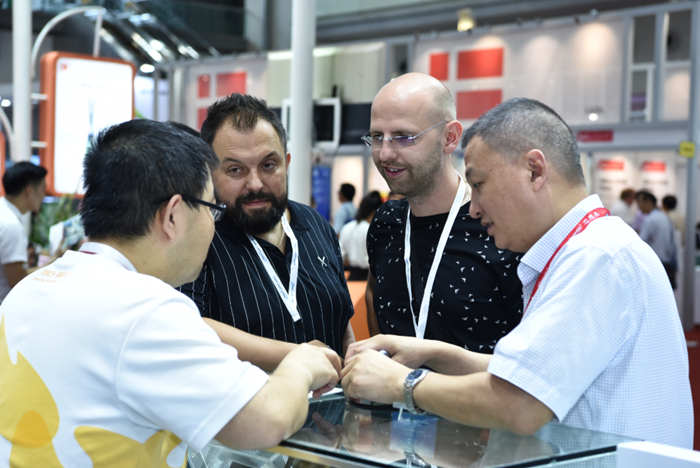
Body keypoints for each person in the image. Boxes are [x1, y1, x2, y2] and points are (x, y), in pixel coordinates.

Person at [341, 98, 692, 448]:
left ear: (534, 171)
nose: (474, 209)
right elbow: (527, 373)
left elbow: (519, 403)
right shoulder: (586, 251)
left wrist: (402, 384)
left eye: (479, 185)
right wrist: (434, 353)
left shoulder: (597, 257)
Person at [0, 119, 341, 466]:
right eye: (211, 209)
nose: (213, 225)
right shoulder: (145, 310)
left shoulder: (32, 288)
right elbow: (266, 420)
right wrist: (301, 364)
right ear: (173, 216)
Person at [179, 94, 354, 371]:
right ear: (210, 173)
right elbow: (187, 325)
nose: (255, 184)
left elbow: (341, 319)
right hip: (247, 399)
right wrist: (295, 356)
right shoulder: (198, 237)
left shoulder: (316, 225)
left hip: (333, 398)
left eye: (268, 165)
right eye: (235, 170)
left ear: (287, 163)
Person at [361, 72, 523, 349]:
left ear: (450, 137)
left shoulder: (497, 225)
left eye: (404, 137)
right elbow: (372, 295)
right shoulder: (387, 222)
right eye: (377, 137)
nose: (385, 153)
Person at [0, 161, 47, 302]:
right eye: (43, 189)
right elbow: (17, 282)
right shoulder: (11, 225)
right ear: (29, 190)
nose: (44, 196)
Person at [637, 189, 677, 289]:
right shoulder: (664, 217)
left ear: (648, 202)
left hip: (654, 264)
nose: (638, 207)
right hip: (666, 261)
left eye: (639, 203)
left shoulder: (650, 219)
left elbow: (640, 243)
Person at [339, 190, 383, 281]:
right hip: (369, 277)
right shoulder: (372, 230)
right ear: (375, 212)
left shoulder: (347, 227)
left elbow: (341, 255)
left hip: (350, 275)